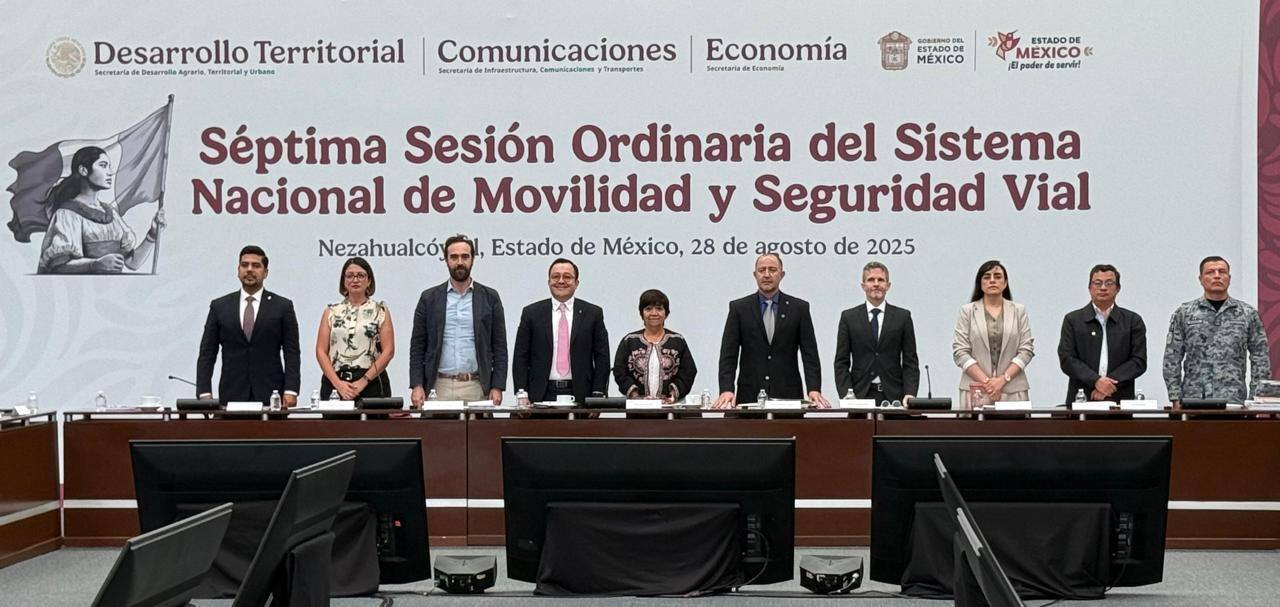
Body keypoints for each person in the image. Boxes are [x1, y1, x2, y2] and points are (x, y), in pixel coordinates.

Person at [715, 253, 828, 408]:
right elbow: (728, 354)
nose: (767, 275)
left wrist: (814, 388)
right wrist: (726, 389)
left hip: (788, 395)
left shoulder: (799, 308)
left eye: (772, 270)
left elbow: (810, 355)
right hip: (749, 394)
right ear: (755, 275)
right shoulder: (739, 308)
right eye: (762, 270)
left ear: (782, 274)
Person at [408, 234, 507, 406]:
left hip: (477, 387)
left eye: (465, 257)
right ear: (446, 260)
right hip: (439, 386)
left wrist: (497, 386)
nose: (459, 262)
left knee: (479, 426)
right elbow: (417, 347)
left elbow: (499, 347)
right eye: (454, 257)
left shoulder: (490, 297)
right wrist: (417, 385)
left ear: (472, 259)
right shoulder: (429, 298)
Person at [196, 246, 300, 406]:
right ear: (238, 270)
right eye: (244, 265)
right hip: (231, 394)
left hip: (272, 395)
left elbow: (291, 352)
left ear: (265, 272)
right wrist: (204, 392)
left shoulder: (282, 306)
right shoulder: (220, 306)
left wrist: (291, 390)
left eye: (256, 265)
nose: (249, 269)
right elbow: (207, 353)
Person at [37, 146, 165, 273]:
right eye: (103, 166)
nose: (110, 172)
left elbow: (132, 263)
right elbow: (58, 267)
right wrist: (95, 265)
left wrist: (152, 234)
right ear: (83, 170)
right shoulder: (67, 214)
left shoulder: (111, 213)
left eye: (109, 166)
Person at [1162, 256, 1271, 405]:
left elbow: (1260, 358)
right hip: (1194, 399)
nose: (1217, 276)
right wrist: (1175, 396)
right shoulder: (1185, 313)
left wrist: (1256, 398)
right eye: (1210, 272)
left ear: (1229, 278)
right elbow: (1172, 357)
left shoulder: (1247, 313)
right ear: (1200, 279)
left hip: (1234, 398)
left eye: (1222, 271)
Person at [512, 258, 610, 404]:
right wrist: (521, 393)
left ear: (576, 283)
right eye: (555, 276)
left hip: (582, 394)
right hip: (539, 394)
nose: (561, 281)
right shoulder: (531, 313)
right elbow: (520, 356)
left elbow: (602, 357)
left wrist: (598, 393)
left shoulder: (593, 313)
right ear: (548, 282)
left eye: (567, 277)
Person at [1057, 264, 1147, 403]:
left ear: (1118, 288)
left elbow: (1138, 361)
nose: (1103, 288)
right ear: (1089, 288)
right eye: (1097, 283)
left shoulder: (1132, 321)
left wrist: (1108, 385)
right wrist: (1096, 381)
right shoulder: (1073, 320)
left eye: (1109, 283)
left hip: (1120, 398)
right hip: (1082, 398)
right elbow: (1067, 359)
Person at [833, 261, 919, 404]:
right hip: (859, 396)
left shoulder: (902, 317)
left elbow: (911, 362)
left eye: (881, 280)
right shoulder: (849, 317)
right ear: (863, 286)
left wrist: (910, 393)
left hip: (895, 397)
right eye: (871, 280)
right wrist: (847, 395)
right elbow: (841, 362)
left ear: (888, 285)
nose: (876, 284)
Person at [952, 260, 1034, 407]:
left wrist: (1002, 380)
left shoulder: (1018, 311)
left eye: (997, 276)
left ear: (1005, 283)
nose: (992, 280)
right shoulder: (967, 311)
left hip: (1013, 390)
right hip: (976, 391)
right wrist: (988, 383)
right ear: (980, 283)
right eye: (986, 277)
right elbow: (960, 352)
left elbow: (1026, 350)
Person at [315, 257, 394, 401]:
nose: (355, 280)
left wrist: (363, 381)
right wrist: (338, 384)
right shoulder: (331, 312)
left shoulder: (380, 310)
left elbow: (388, 351)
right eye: (350, 276)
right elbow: (321, 351)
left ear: (369, 281)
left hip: (371, 382)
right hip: (335, 383)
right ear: (343, 282)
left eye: (360, 275)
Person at [612, 289, 697, 401]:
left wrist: (673, 395)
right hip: (637, 407)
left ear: (666, 313)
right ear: (641, 313)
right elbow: (619, 371)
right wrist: (634, 395)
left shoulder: (677, 341)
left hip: (670, 407)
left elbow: (688, 371)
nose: (654, 313)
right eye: (648, 309)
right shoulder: (629, 341)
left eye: (659, 309)